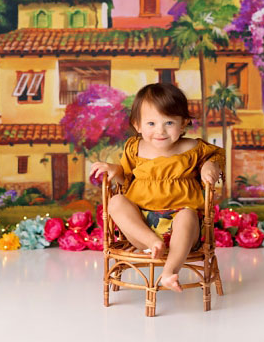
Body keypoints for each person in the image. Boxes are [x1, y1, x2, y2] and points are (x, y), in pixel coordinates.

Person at [90, 83, 224, 292]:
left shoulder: (193, 148)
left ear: (183, 123)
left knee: (187, 215)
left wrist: (209, 166)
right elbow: (126, 180)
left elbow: (215, 156)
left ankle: (170, 272)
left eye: (169, 122)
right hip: (141, 228)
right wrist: (114, 170)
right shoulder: (135, 148)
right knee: (116, 202)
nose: (160, 131)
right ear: (138, 125)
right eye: (151, 123)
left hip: (183, 229)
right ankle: (153, 243)